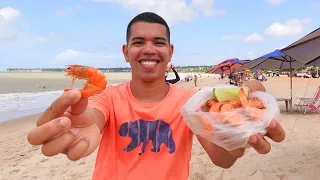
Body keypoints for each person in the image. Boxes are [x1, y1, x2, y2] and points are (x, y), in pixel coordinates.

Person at [27, 12, 285, 180]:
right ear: (126, 52)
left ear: (170, 52)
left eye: (158, 43)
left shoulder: (191, 103)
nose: (149, 49)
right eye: (139, 42)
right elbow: (91, 118)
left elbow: (223, 160)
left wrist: (239, 136)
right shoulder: (107, 98)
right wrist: (77, 124)